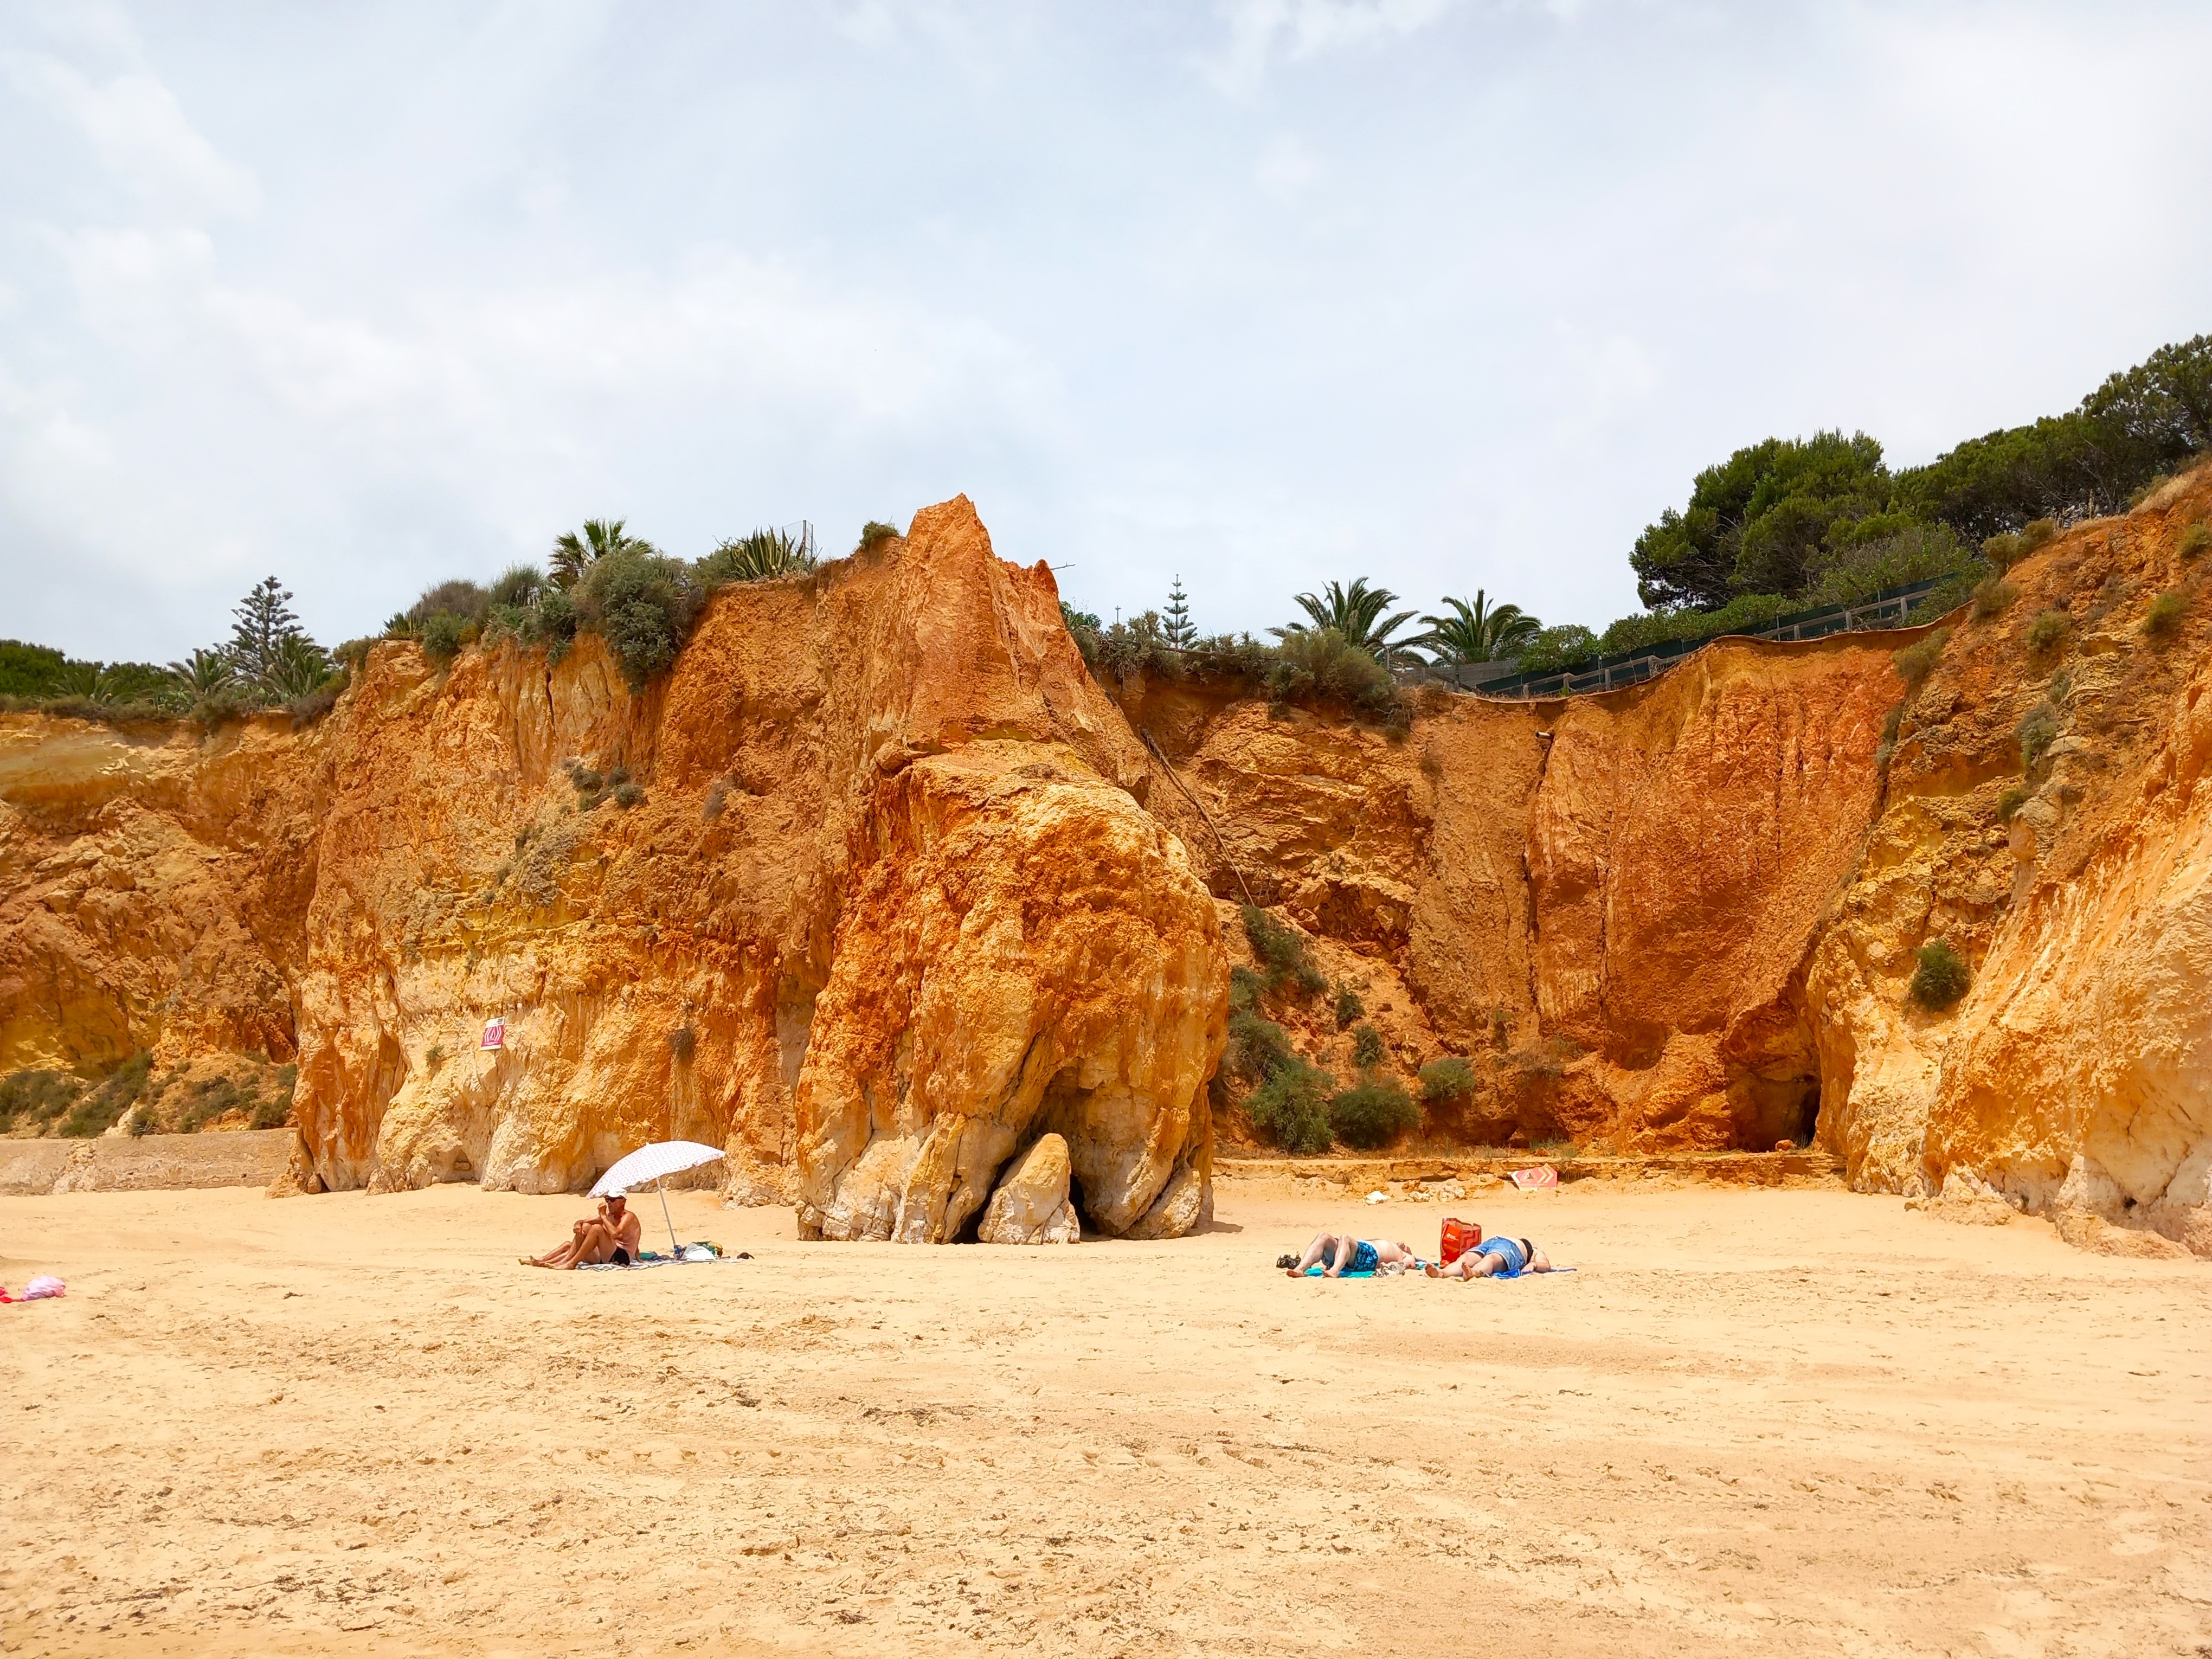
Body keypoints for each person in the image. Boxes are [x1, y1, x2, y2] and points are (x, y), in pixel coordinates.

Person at [523, 1191, 643, 1270]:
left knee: (597, 1229)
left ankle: (571, 1263)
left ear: (623, 1201)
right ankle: (541, 1262)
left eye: (613, 1200)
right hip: (607, 1254)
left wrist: (603, 1216)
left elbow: (616, 1233)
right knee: (573, 1239)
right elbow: (582, 1221)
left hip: (621, 1258)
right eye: (607, 1200)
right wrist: (577, 1226)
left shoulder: (629, 1217)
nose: (609, 1203)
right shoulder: (608, 1214)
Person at [1281, 1232, 1422, 1277]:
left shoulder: (1406, 1255)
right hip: (1358, 1251)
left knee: (1345, 1238)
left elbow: (1410, 1264)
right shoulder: (1395, 1245)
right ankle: (1300, 1269)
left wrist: (1408, 1255)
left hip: (1369, 1257)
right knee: (1323, 1236)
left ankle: (1335, 1270)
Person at [1426, 1234, 1554, 1279]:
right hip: (1494, 1242)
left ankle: (1474, 1272)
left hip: (1512, 1250)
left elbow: (1547, 1266)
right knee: (1466, 1258)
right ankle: (1443, 1273)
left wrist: (1534, 1264)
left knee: (1491, 1259)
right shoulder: (1530, 1246)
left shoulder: (1535, 1252)